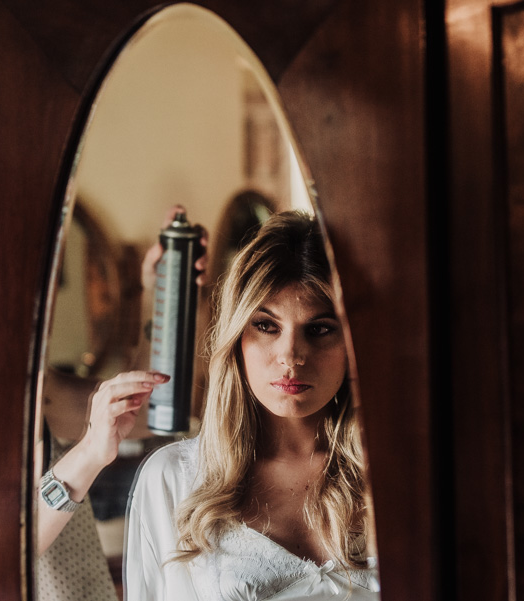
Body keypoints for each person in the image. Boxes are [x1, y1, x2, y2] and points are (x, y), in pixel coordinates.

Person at [123, 211, 380, 600]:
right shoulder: (174, 480)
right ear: (236, 338)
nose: (291, 356)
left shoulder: (398, 473)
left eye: (321, 329)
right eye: (266, 325)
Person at [36, 205, 207, 601]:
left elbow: (143, 411)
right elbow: (0, 553)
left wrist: (163, 295)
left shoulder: (26, 384)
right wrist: (89, 455)